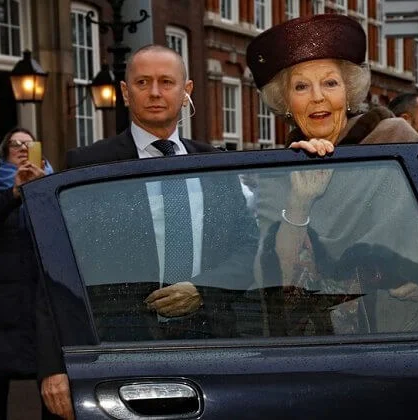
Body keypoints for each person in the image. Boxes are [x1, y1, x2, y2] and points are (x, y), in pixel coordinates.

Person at [246, 14, 418, 335]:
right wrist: (299, 204)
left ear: (348, 91)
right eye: (301, 86)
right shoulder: (277, 172)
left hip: (408, 329)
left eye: (330, 83)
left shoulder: (393, 139)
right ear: (286, 102)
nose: (318, 96)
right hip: (325, 348)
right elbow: (271, 286)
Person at [39, 44, 258, 419]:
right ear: (126, 92)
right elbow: (53, 270)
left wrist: (202, 289)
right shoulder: (88, 165)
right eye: (143, 82)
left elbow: (246, 248)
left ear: (185, 90)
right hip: (116, 349)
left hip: (210, 345)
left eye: (166, 82)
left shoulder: (216, 164)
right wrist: (52, 365)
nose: (155, 92)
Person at [0, 128, 55, 419]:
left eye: (30, 144)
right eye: (16, 144)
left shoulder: (54, 185)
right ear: (4, 153)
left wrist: (41, 191)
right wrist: (14, 193)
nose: (23, 148)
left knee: (52, 388)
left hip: (39, 303)